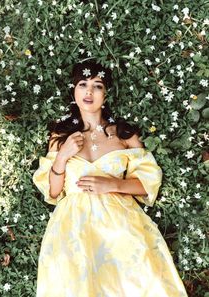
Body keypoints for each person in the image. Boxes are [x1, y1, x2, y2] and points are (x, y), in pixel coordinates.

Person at [33, 61, 188, 297]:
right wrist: (62, 157)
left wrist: (112, 184)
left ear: (105, 94)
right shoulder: (60, 135)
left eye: (97, 86)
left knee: (133, 283)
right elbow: (53, 193)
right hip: (73, 225)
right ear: (73, 90)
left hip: (120, 221)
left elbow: (148, 182)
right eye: (83, 84)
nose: (89, 92)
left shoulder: (124, 135)